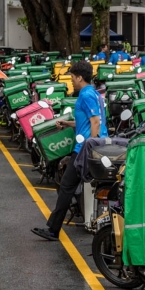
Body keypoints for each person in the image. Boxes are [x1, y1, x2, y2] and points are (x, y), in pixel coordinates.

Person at [32, 60, 103, 242]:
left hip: (84, 148)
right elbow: (87, 121)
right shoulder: (93, 93)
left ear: (80, 77)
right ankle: (55, 228)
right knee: (69, 186)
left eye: (72, 77)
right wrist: (68, 123)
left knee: (66, 186)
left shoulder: (86, 95)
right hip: (88, 146)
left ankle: (53, 230)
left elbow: (95, 122)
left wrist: (90, 146)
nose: (71, 81)